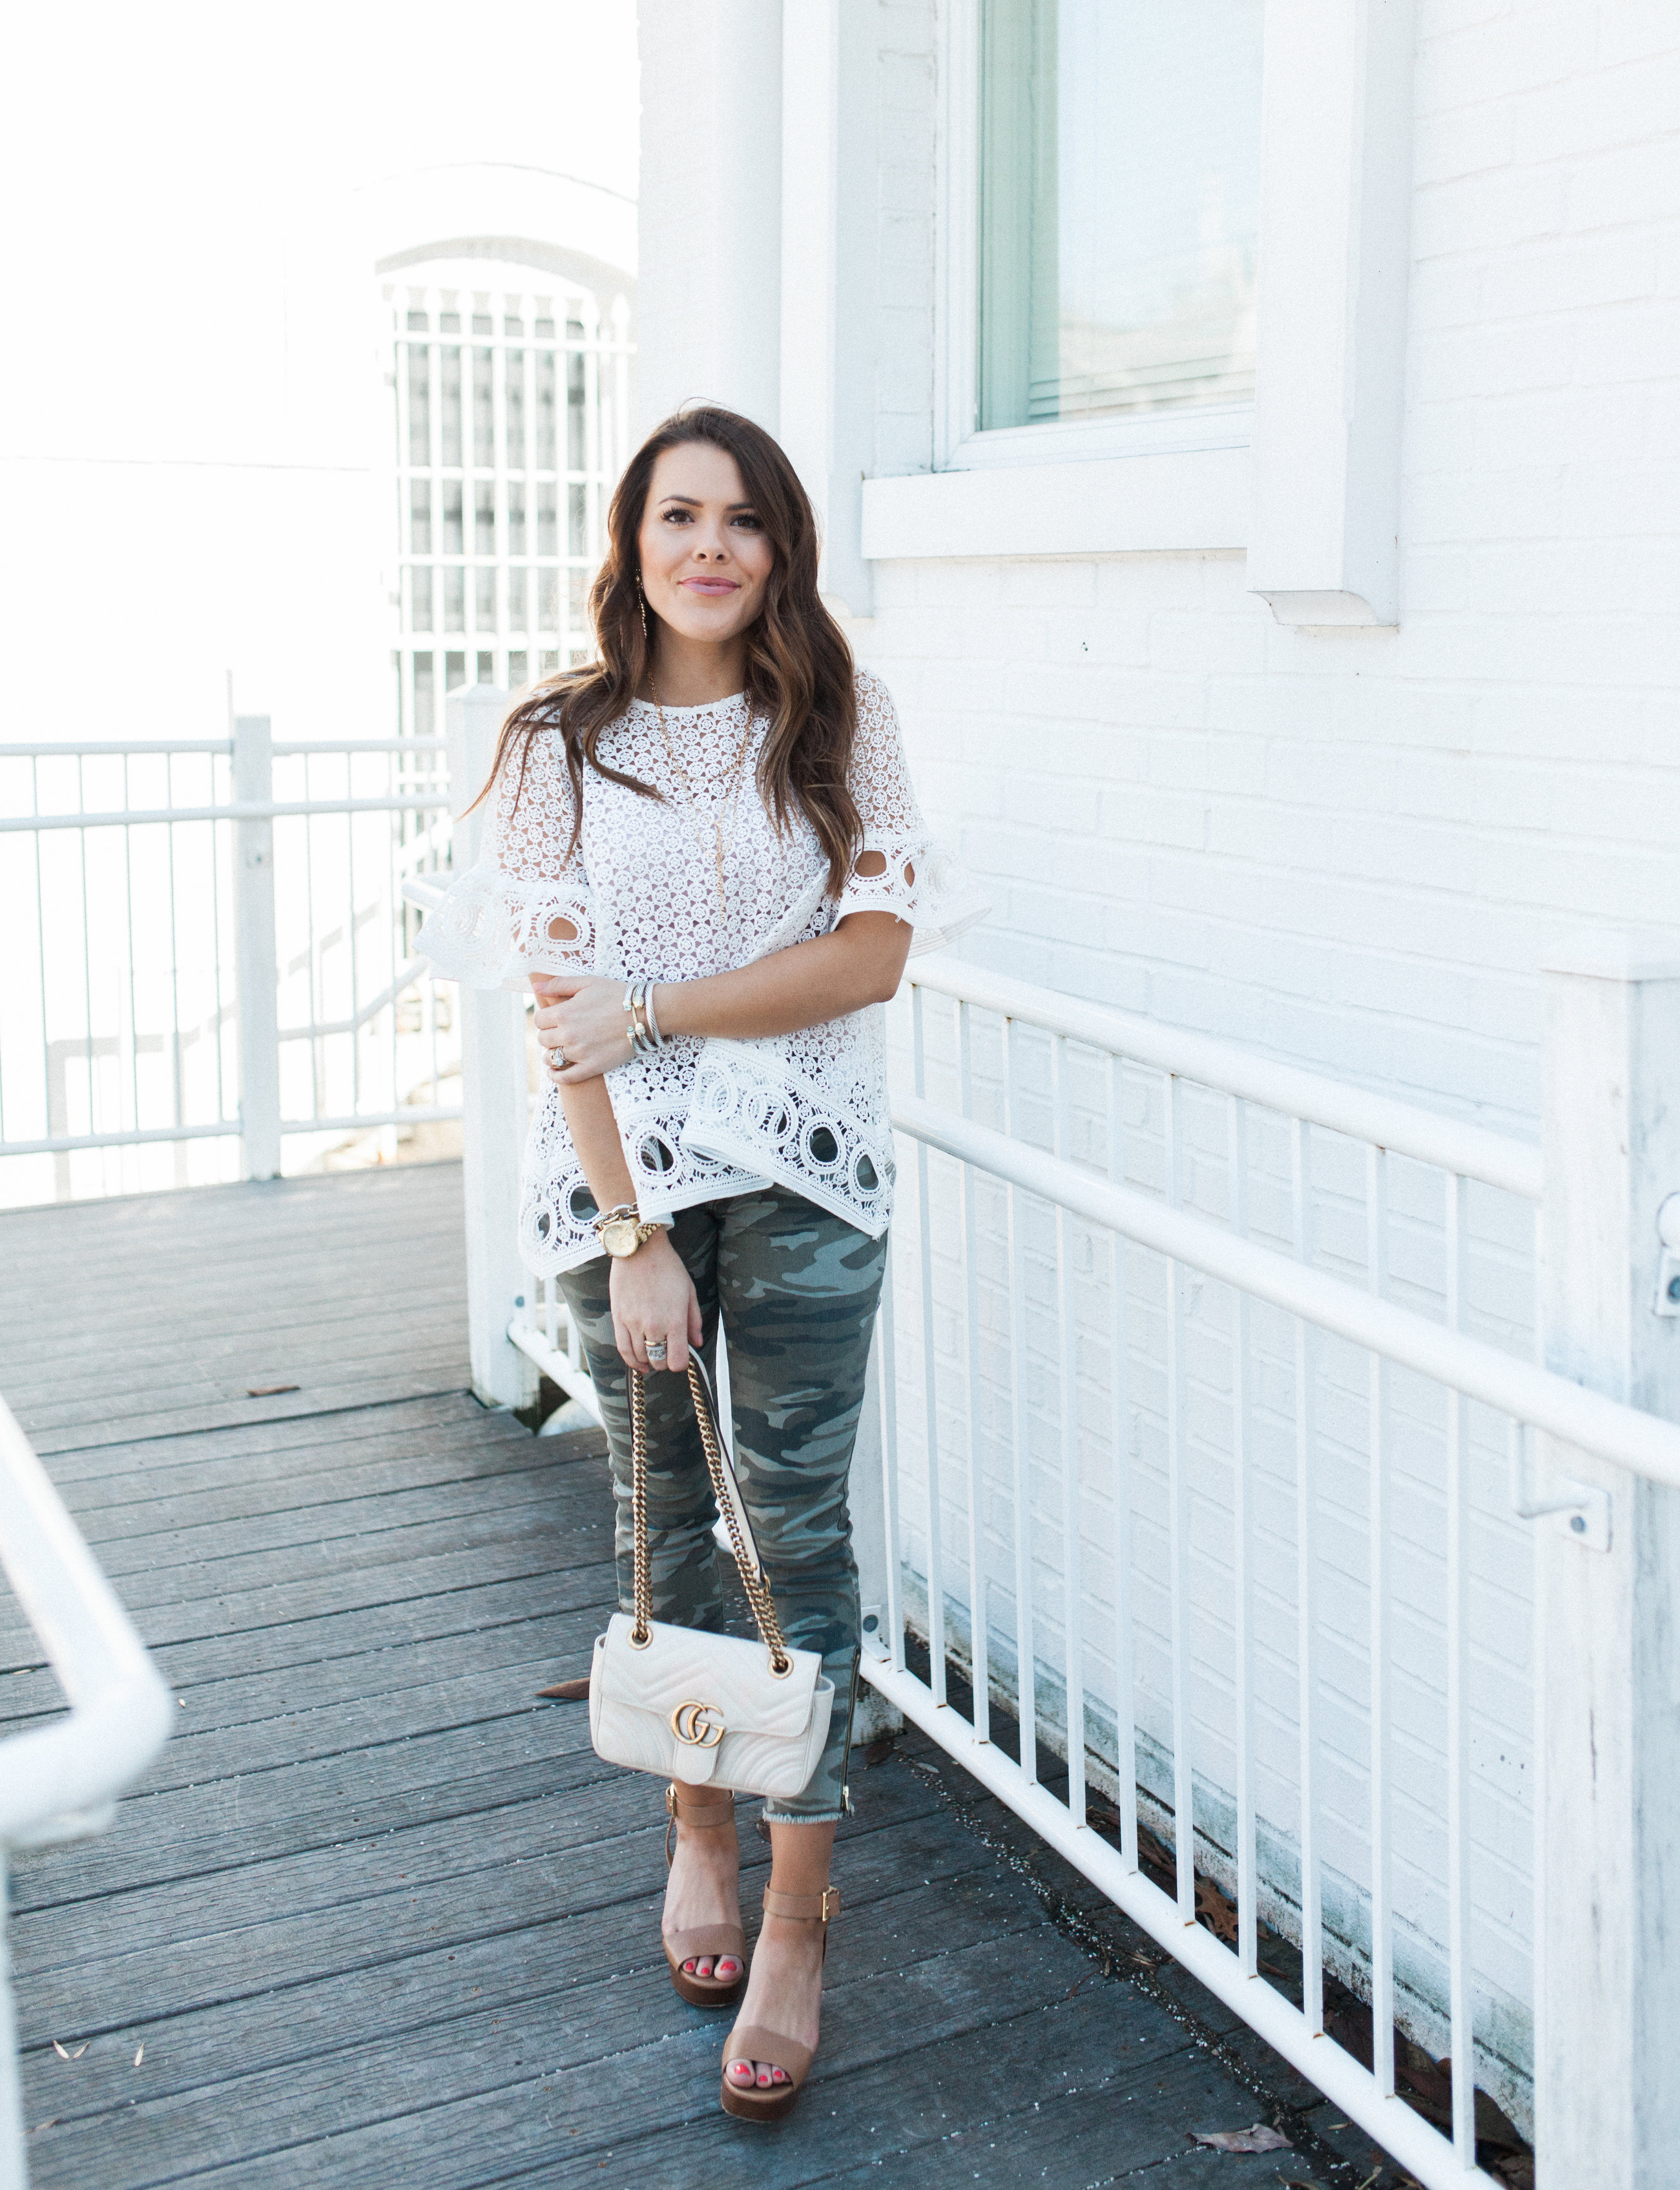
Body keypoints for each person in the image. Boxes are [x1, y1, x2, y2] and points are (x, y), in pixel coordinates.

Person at [416, 402, 979, 2122]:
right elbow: (551, 1024)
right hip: (628, 1197)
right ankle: (695, 1833)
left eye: (741, 519)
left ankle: (800, 1920)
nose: (709, 546)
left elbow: (868, 962)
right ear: (632, 540)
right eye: (678, 515)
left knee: (795, 1534)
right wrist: (631, 1234)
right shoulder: (551, 746)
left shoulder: (842, 721)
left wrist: (657, 1007)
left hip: (808, 1179)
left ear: (779, 546)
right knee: (662, 1524)